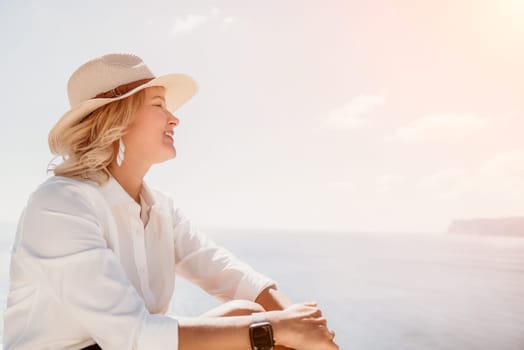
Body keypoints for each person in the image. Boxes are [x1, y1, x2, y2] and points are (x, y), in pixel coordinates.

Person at [2, 53, 338, 350]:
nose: (174, 119)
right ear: (117, 119)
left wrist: (303, 325)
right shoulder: (59, 206)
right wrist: (276, 329)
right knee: (260, 326)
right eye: (159, 105)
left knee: (252, 315)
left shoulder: (159, 208)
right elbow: (133, 338)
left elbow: (231, 276)